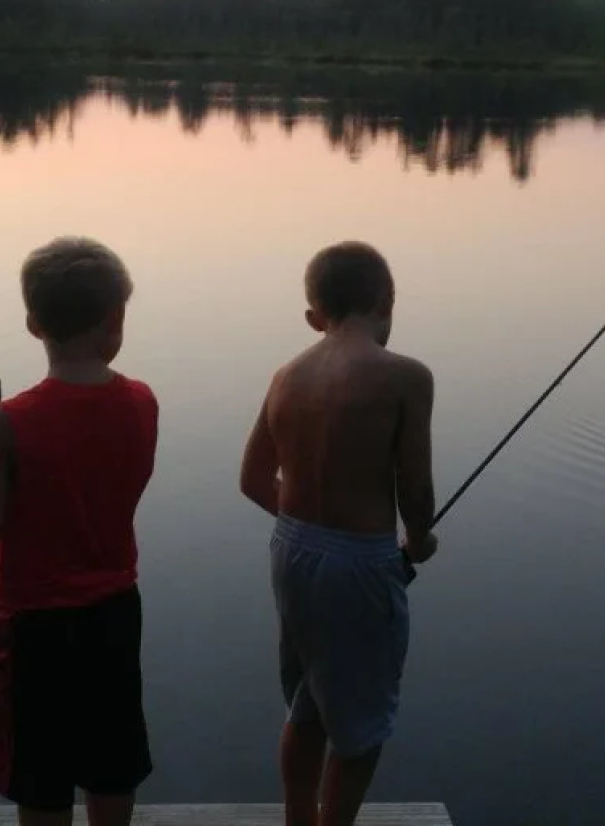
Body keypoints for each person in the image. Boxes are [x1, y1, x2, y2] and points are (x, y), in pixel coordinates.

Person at [0, 236, 157, 826]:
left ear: (33, 324)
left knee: (41, 778)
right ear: (116, 320)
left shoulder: (7, 424)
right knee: (111, 755)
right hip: (115, 613)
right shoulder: (143, 402)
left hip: (31, 627)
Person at [239, 240, 437, 826]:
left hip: (292, 553)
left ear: (313, 317)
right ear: (387, 304)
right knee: (361, 725)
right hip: (361, 564)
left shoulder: (286, 376)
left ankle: (299, 817)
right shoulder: (406, 377)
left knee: (307, 705)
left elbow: (252, 481)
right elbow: (416, 490)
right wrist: (419, 542)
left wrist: (314, 530)